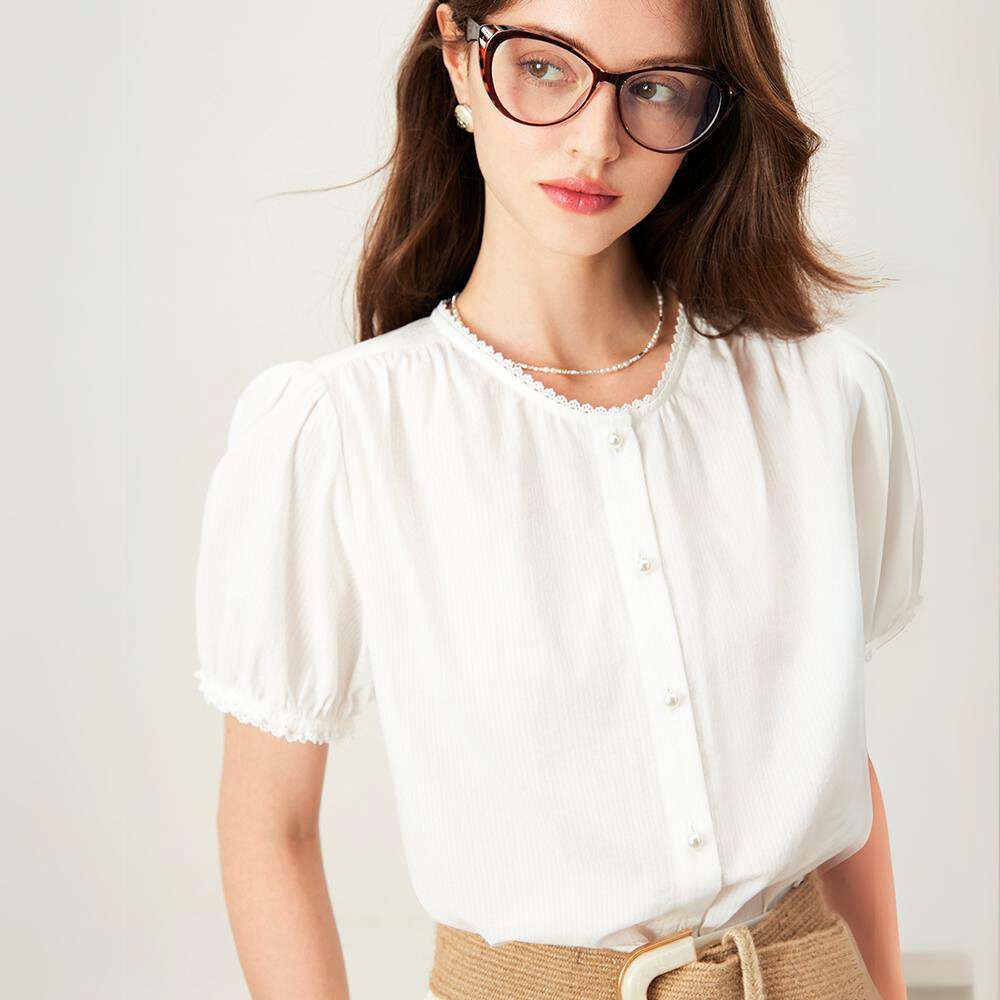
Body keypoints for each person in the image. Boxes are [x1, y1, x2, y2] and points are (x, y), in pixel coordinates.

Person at [192, 2, 924, 998]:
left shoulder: (822, 396)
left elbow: (838, 764)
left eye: (655, 89)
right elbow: (267, 824)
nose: (594, 140)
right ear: (459, 56)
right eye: (546, 69)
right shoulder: (342, 429)